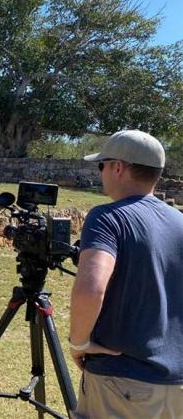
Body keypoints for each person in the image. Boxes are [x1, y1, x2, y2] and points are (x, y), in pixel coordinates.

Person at [69, 130, 183, 419]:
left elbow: (91, 288)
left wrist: (79, 343)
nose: (102, 173)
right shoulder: (179, 221)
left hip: (123, 383)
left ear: (117, 167)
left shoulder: (107, 217)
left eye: (102, 165)